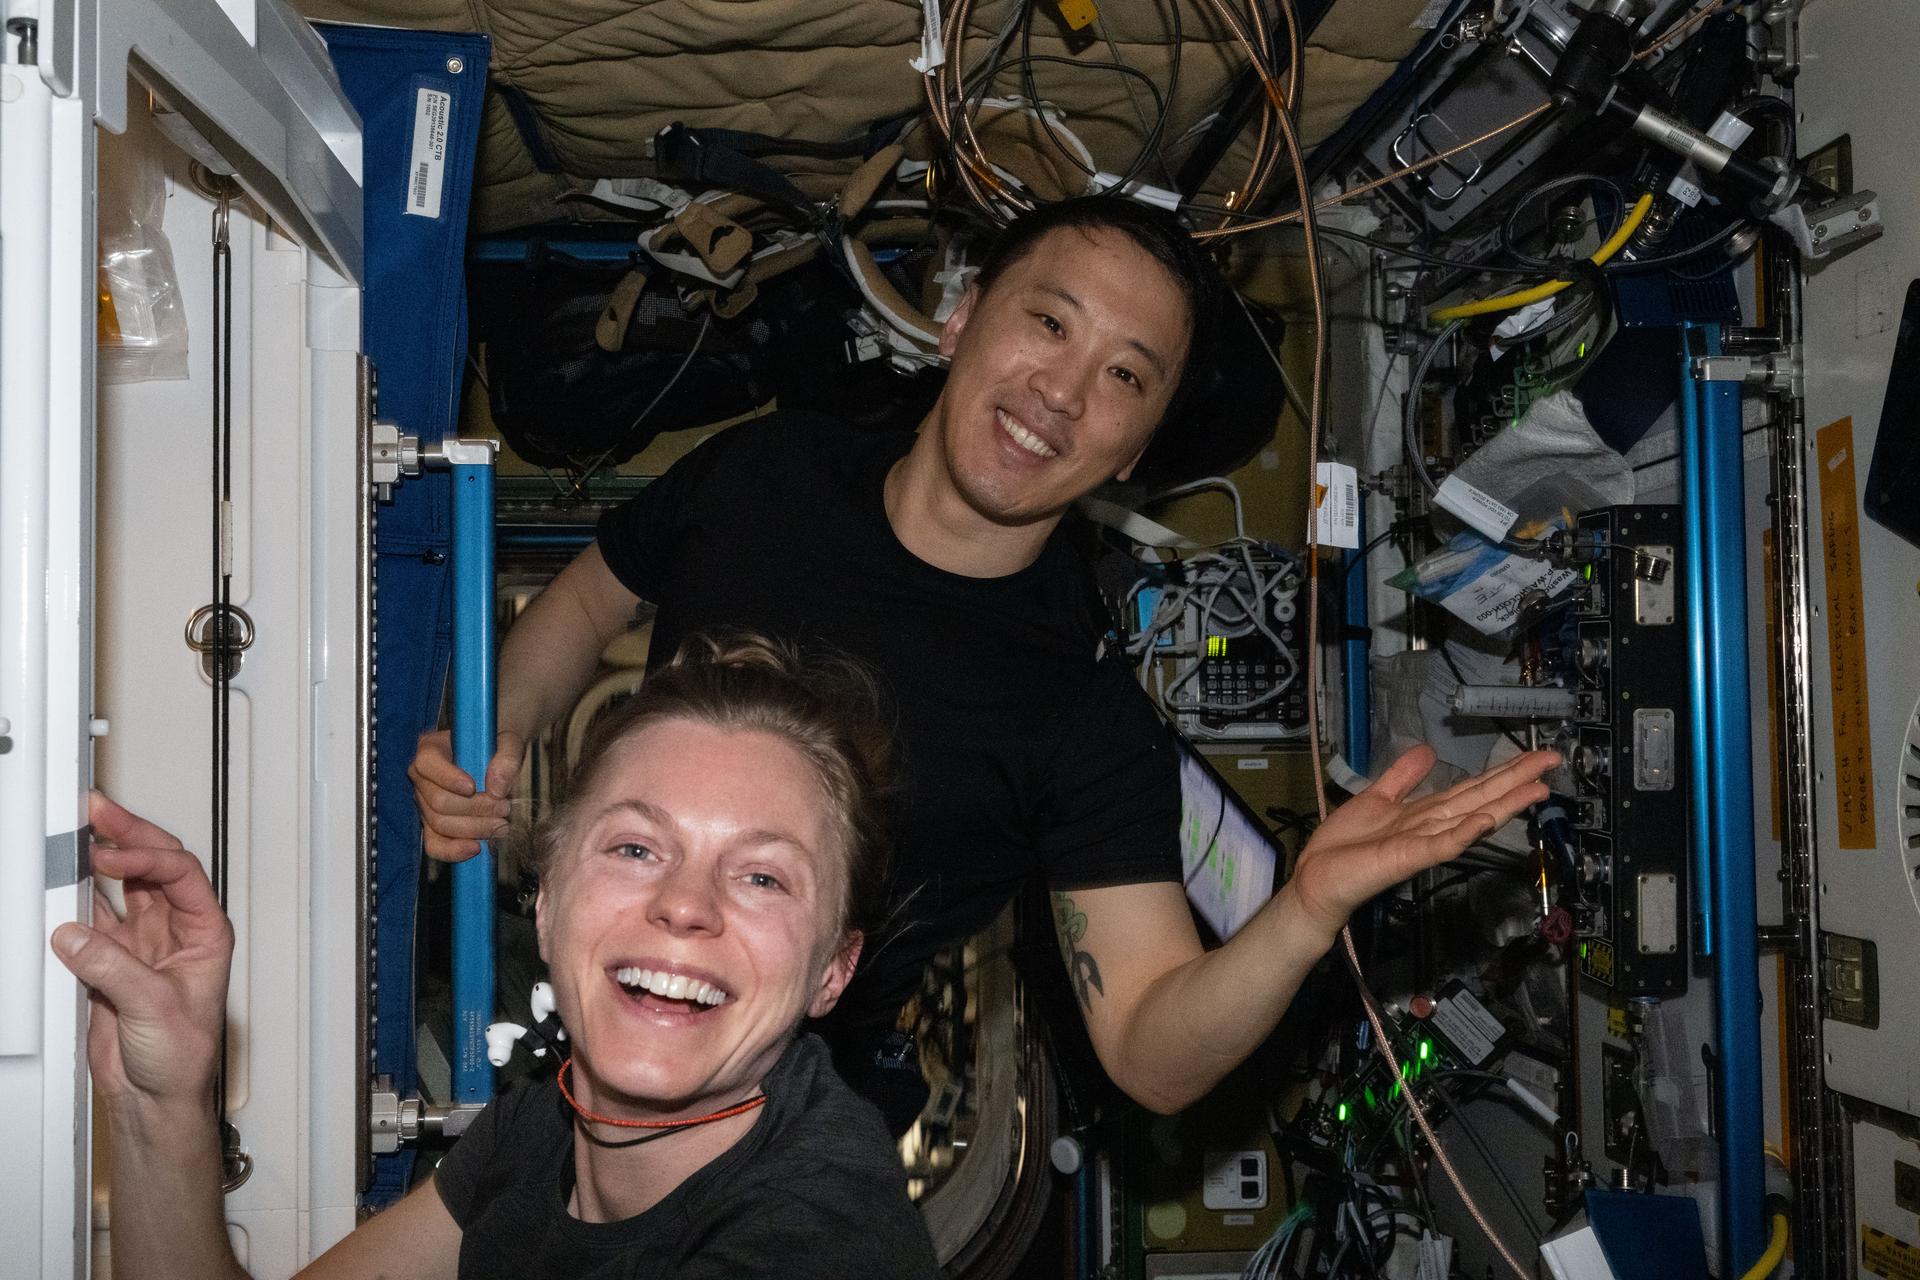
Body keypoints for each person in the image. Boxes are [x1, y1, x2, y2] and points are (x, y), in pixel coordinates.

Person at [411, 195, 1558, 1120]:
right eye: (1049, 323)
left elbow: (1151, 1053)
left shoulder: (1083, 713)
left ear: (1134, 450)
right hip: (584, 966)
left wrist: (1304, 910)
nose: (1060, 393)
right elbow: (586, 595)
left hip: (781, 1105)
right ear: (960, 319)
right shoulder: (768, 472)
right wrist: (493, 737)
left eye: (1123, 375)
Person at [54, 636, 942, 1280]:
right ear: (548, 903)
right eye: (636, 849)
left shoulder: (821, 1243)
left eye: (760, 877)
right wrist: (158, 1099)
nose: (683, 905)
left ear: (835, 969)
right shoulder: (545, 1124)